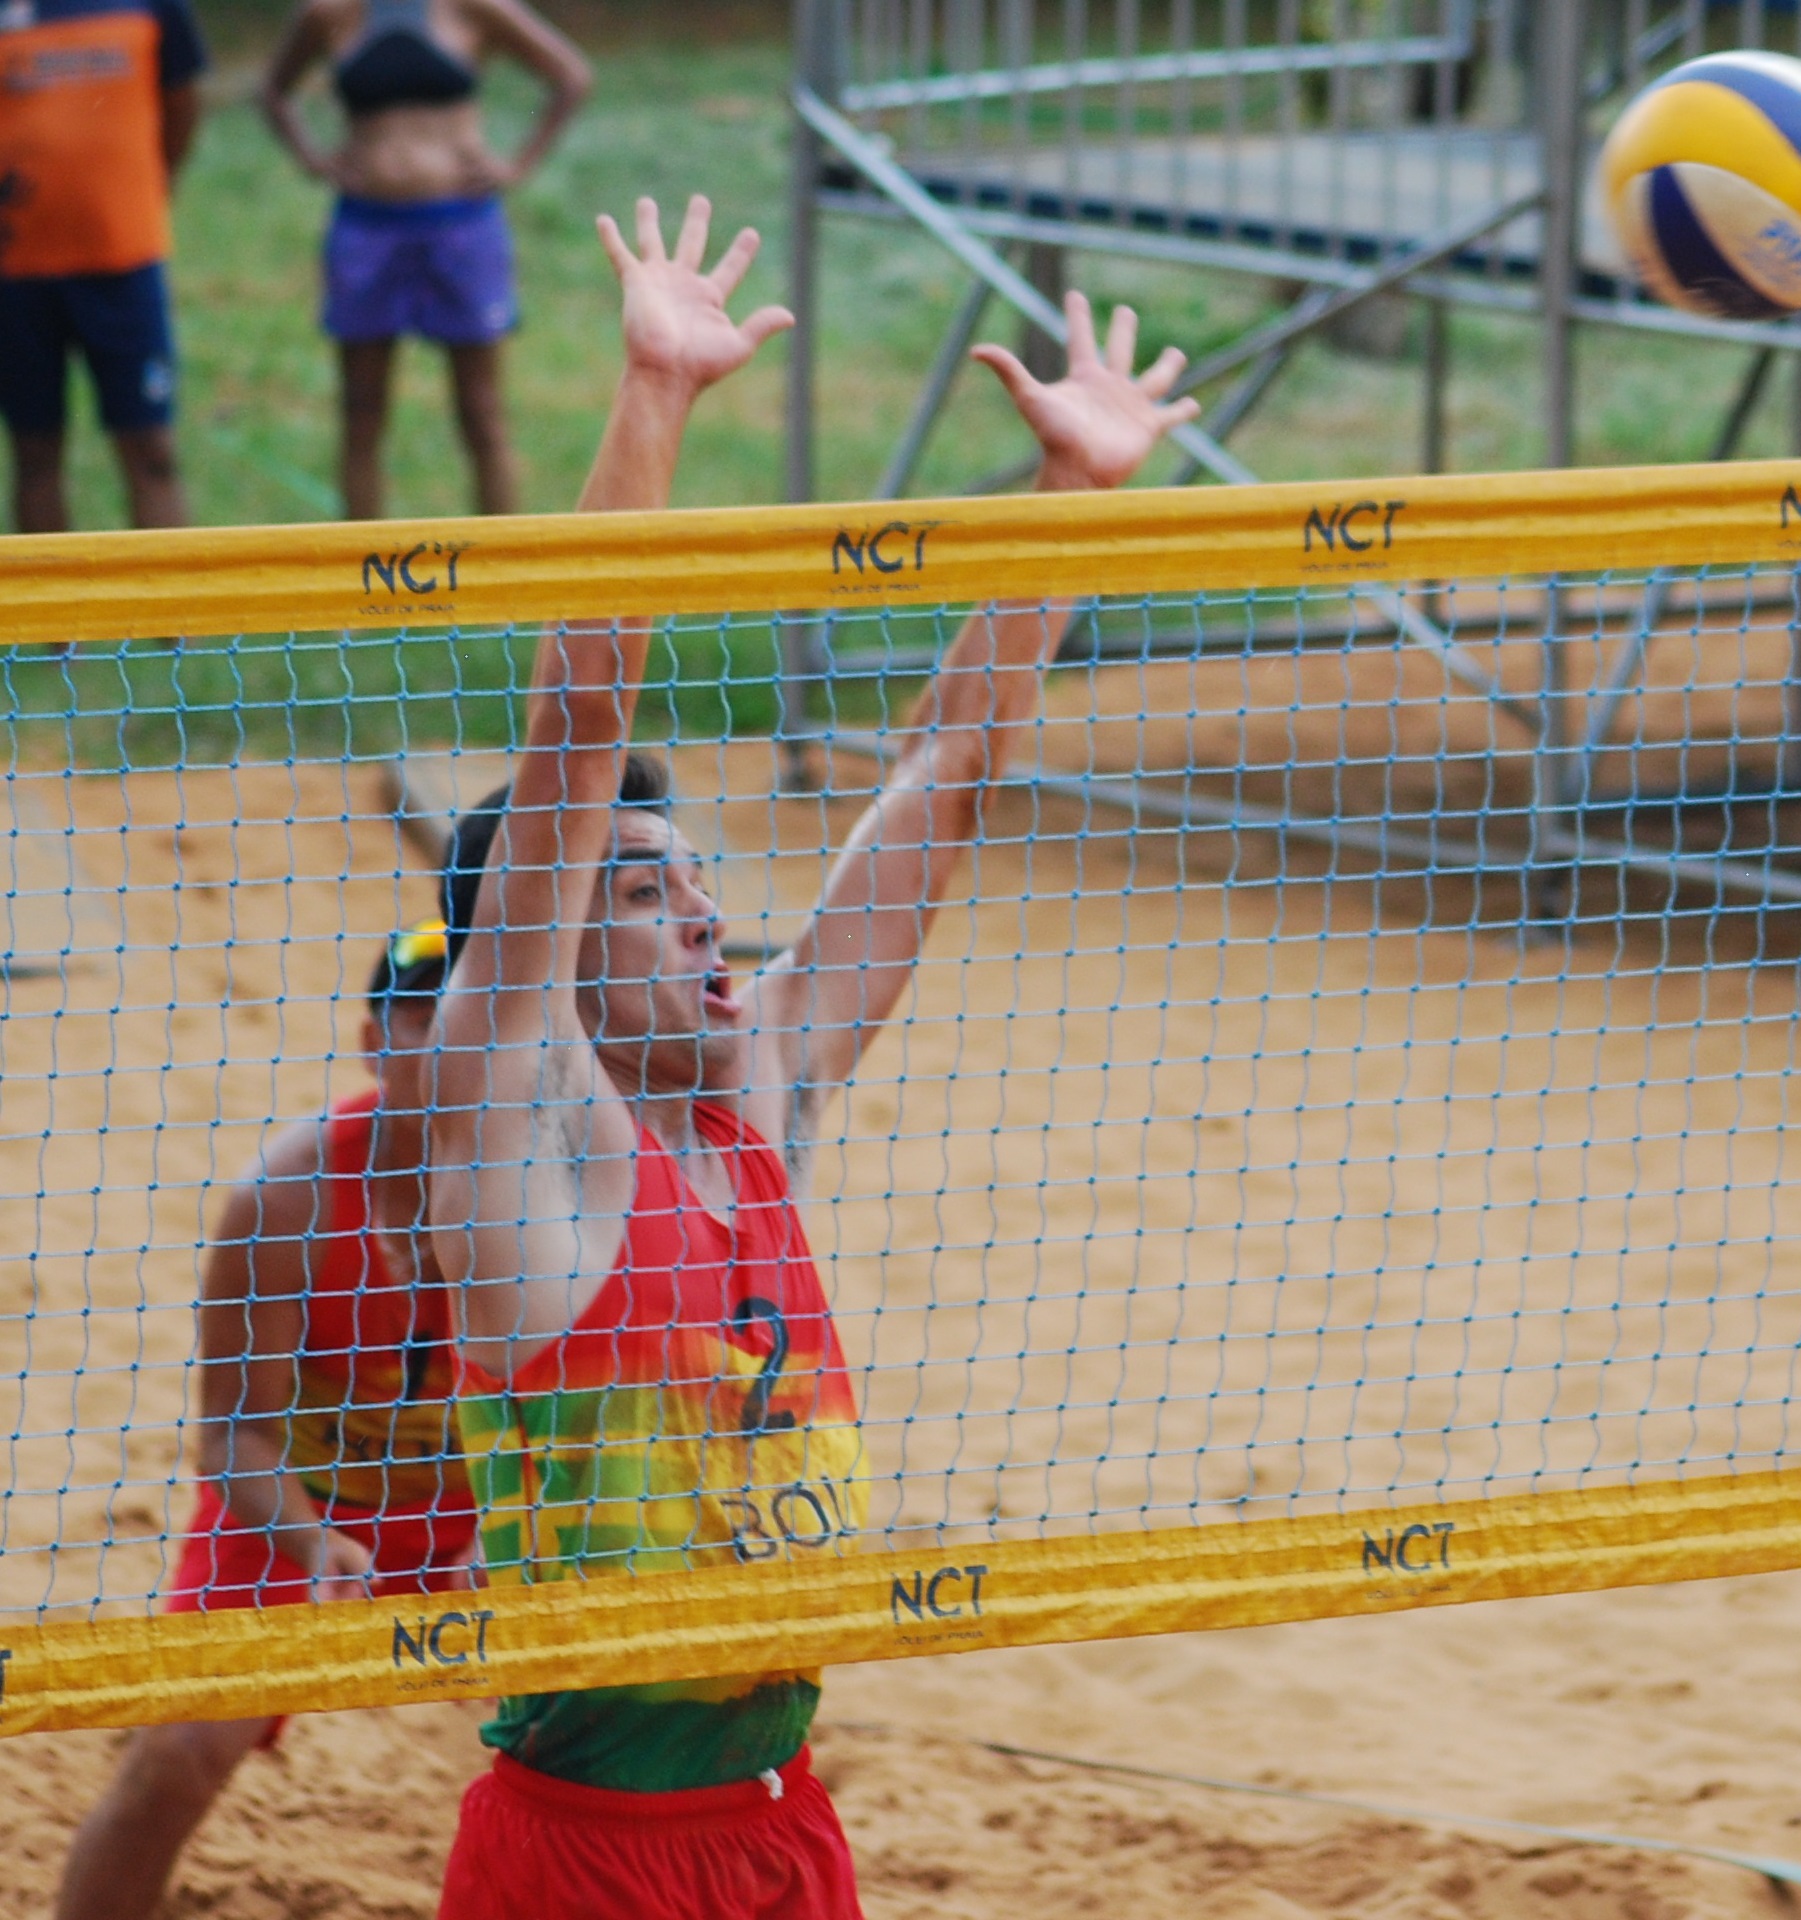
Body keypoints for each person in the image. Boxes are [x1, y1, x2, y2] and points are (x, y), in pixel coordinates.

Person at [419, 193, 1194, 1920]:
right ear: (536, 959)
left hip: (784, 1821)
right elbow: (573, 736)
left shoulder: (757, 1093)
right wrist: (654, 398)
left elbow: (946, 779)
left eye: (700, 883)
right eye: (643, 893)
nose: (706, 917)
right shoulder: (510, 1133)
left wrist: (1074, 503)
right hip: (581, 1853)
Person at [52, 922, 477, 1920]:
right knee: (180, 1754)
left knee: (621, 1744)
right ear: (377, 1039)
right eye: (422, 1017)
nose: (449, 1042)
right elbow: (233, 1434)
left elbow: (594, 1420)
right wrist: (309, 1540)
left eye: (473, 1015)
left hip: (490, 1513)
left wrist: (523, 1530)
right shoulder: (287, 1196)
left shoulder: (572, 1187)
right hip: (302, 1508)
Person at [261, 0, 592, 519]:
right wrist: (313, 159)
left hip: (461, 226)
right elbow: (273, 92)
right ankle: (365, 582)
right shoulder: (327, 15)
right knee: (362, 412)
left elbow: (571, 76)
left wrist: (517, 166)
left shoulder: (476, 9)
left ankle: (504, 581)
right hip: (367, 228)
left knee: (482, 414)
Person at [0, 0, 205, 534]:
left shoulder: (153, 7)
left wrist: (142, 193)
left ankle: (172, 616)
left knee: (152, 451)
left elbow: (181, 103)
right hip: (17, 271)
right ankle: (53, 618)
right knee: (34, 452)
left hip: (124, 264)